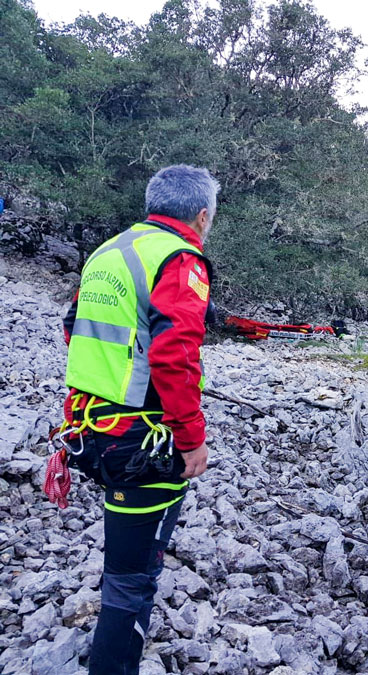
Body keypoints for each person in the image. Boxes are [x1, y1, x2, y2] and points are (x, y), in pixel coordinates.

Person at [61, 165, 217, 674]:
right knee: (132, 580)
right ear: (201, 215)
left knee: (123, 570)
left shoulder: (109, 252)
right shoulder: (179, 258)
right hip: (141, 443)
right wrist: (192, 438)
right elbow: (175, 356)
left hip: (89, 430)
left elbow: (74, 327)